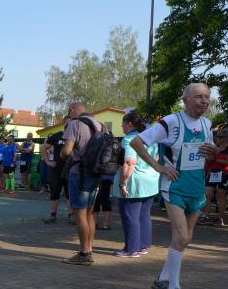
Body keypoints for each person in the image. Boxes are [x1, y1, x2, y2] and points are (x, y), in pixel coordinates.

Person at [130, 83, 218, 289]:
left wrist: (214, 152)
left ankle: (162, 279)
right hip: (174, 187)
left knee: (184, 239)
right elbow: (136, 142)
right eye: (198, 96)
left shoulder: (207, 124)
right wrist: (158, 167)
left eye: (207, 97)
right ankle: (173, 287)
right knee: (182, 237)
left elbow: (210, 154)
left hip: (196, 187)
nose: (204, 101)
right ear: (186, 99)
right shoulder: (170, 122)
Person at [59, 102, 105, 265]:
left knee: (79, 214)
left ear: (72, 110)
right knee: (90, 213)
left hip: (79, 173)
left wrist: (63, 155)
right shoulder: (100, 124)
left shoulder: (75, 124)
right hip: (95, 173)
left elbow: (66, 150)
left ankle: (84, 254)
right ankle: (89, 248)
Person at [113, 111, 159, 258]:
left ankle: (131, 249)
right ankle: (143, 245)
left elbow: (129, 162)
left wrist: (122, 183)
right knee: (144, 215)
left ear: (129, 124)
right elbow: (157, 158)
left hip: (134, 183)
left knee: (130, 216)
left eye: (123, 124)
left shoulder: (129, 140)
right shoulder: (151, 139)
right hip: (151, 181)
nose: (122, 127)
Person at [43, 117, 73, 224]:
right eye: (68, 123)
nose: (70, 126)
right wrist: (48, 162)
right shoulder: (57, 136)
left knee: (69, 193)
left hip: (70, 170)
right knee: (54, 192)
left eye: (72, 124)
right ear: (64, 123)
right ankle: (52, 215)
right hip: (56, 170)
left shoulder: (74, 137)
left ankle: (71, 216)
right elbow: (43, 147)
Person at [201, 129, 228, 227]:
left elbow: (227, 162)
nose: (218, 139)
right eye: (217, 137)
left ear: (226, 138)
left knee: (220, 196)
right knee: (207, 194)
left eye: (220, 137)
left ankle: (220, 218)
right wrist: (209, 159)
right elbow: (209, 159)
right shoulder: (216, 147)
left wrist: (215, 159)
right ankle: (205, 216)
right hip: (213, 172)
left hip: (224, 173)